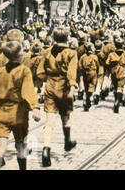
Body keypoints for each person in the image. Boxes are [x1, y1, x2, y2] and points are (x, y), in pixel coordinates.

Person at [0, 41, 41, 170]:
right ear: (20, 55)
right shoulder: (24, 71)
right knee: (21, 145)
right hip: (18, 113)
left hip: (2, 112)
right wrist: (35, 107)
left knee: (1, 147)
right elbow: (28, 90)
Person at [36, 27, 78, 167]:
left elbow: (40, 72)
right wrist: (72, 87)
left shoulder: (46, 52)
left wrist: (44, 82)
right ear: (67, 37)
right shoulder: (71, 53)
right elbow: (72, 73)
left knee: (49, 121)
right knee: (65, 117)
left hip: (50, 87)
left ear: (53, 37)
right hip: (64, 88)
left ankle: (46, 149)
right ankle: (67, 141)